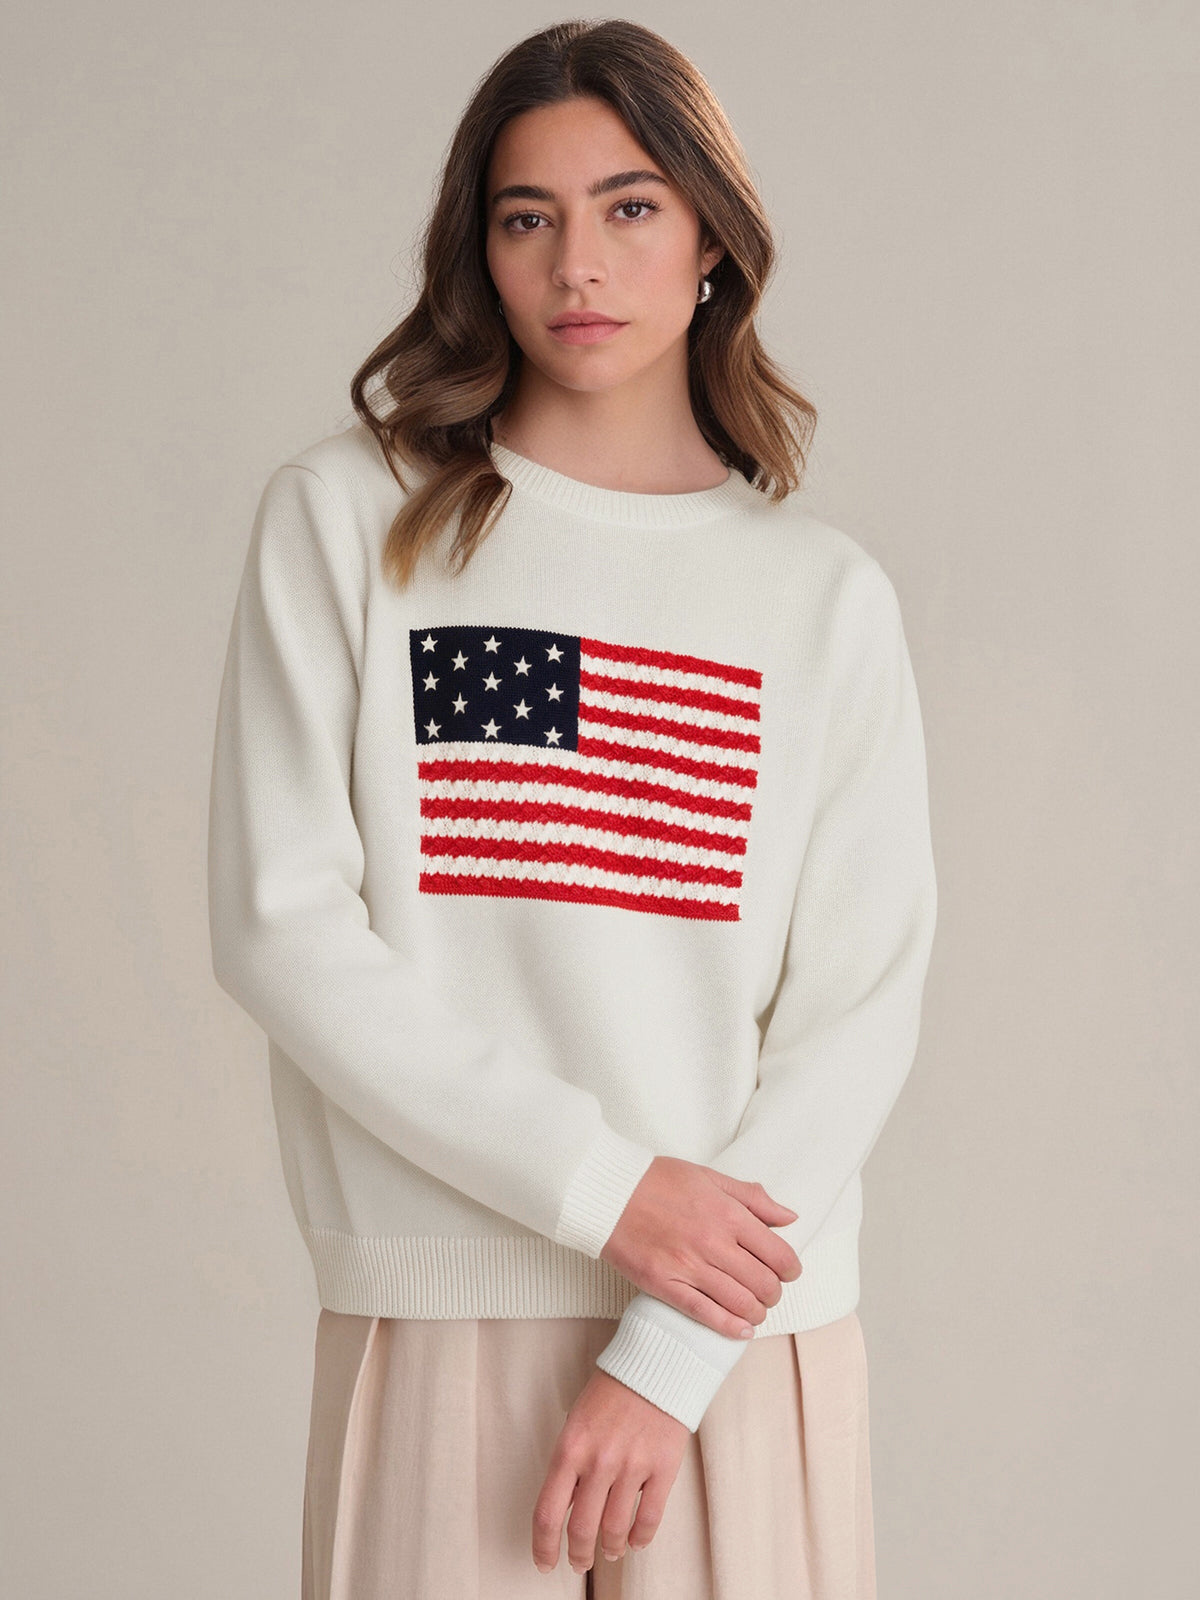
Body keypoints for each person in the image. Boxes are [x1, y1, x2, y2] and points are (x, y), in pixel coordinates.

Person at [206, 18, 938, 1599]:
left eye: (629, 207)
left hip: (741, 1342)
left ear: (709, 246)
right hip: (445, 1300)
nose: (576, 264)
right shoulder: (351, 520)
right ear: (480, 248)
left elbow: (857, 1017)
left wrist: (672, 1344)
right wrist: (611, 1194)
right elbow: (281, 926)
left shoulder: (821, 599)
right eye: (527, 216)